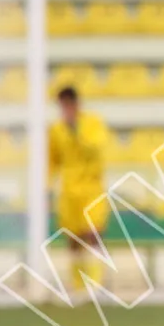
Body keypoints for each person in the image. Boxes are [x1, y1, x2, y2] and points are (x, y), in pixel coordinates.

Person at [49, 86, 111, 300]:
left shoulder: (92, 123)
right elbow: (52, 160)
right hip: (69, 191)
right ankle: (78, 286)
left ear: (75, 103)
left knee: (93, 234)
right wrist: (47, 188)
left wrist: (76, 129)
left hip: (92, 188)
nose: (64, 109)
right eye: (61, 105)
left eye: (67, 104)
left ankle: (96, 286)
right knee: (73, 239)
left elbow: (97, 148)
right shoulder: (56, 129)